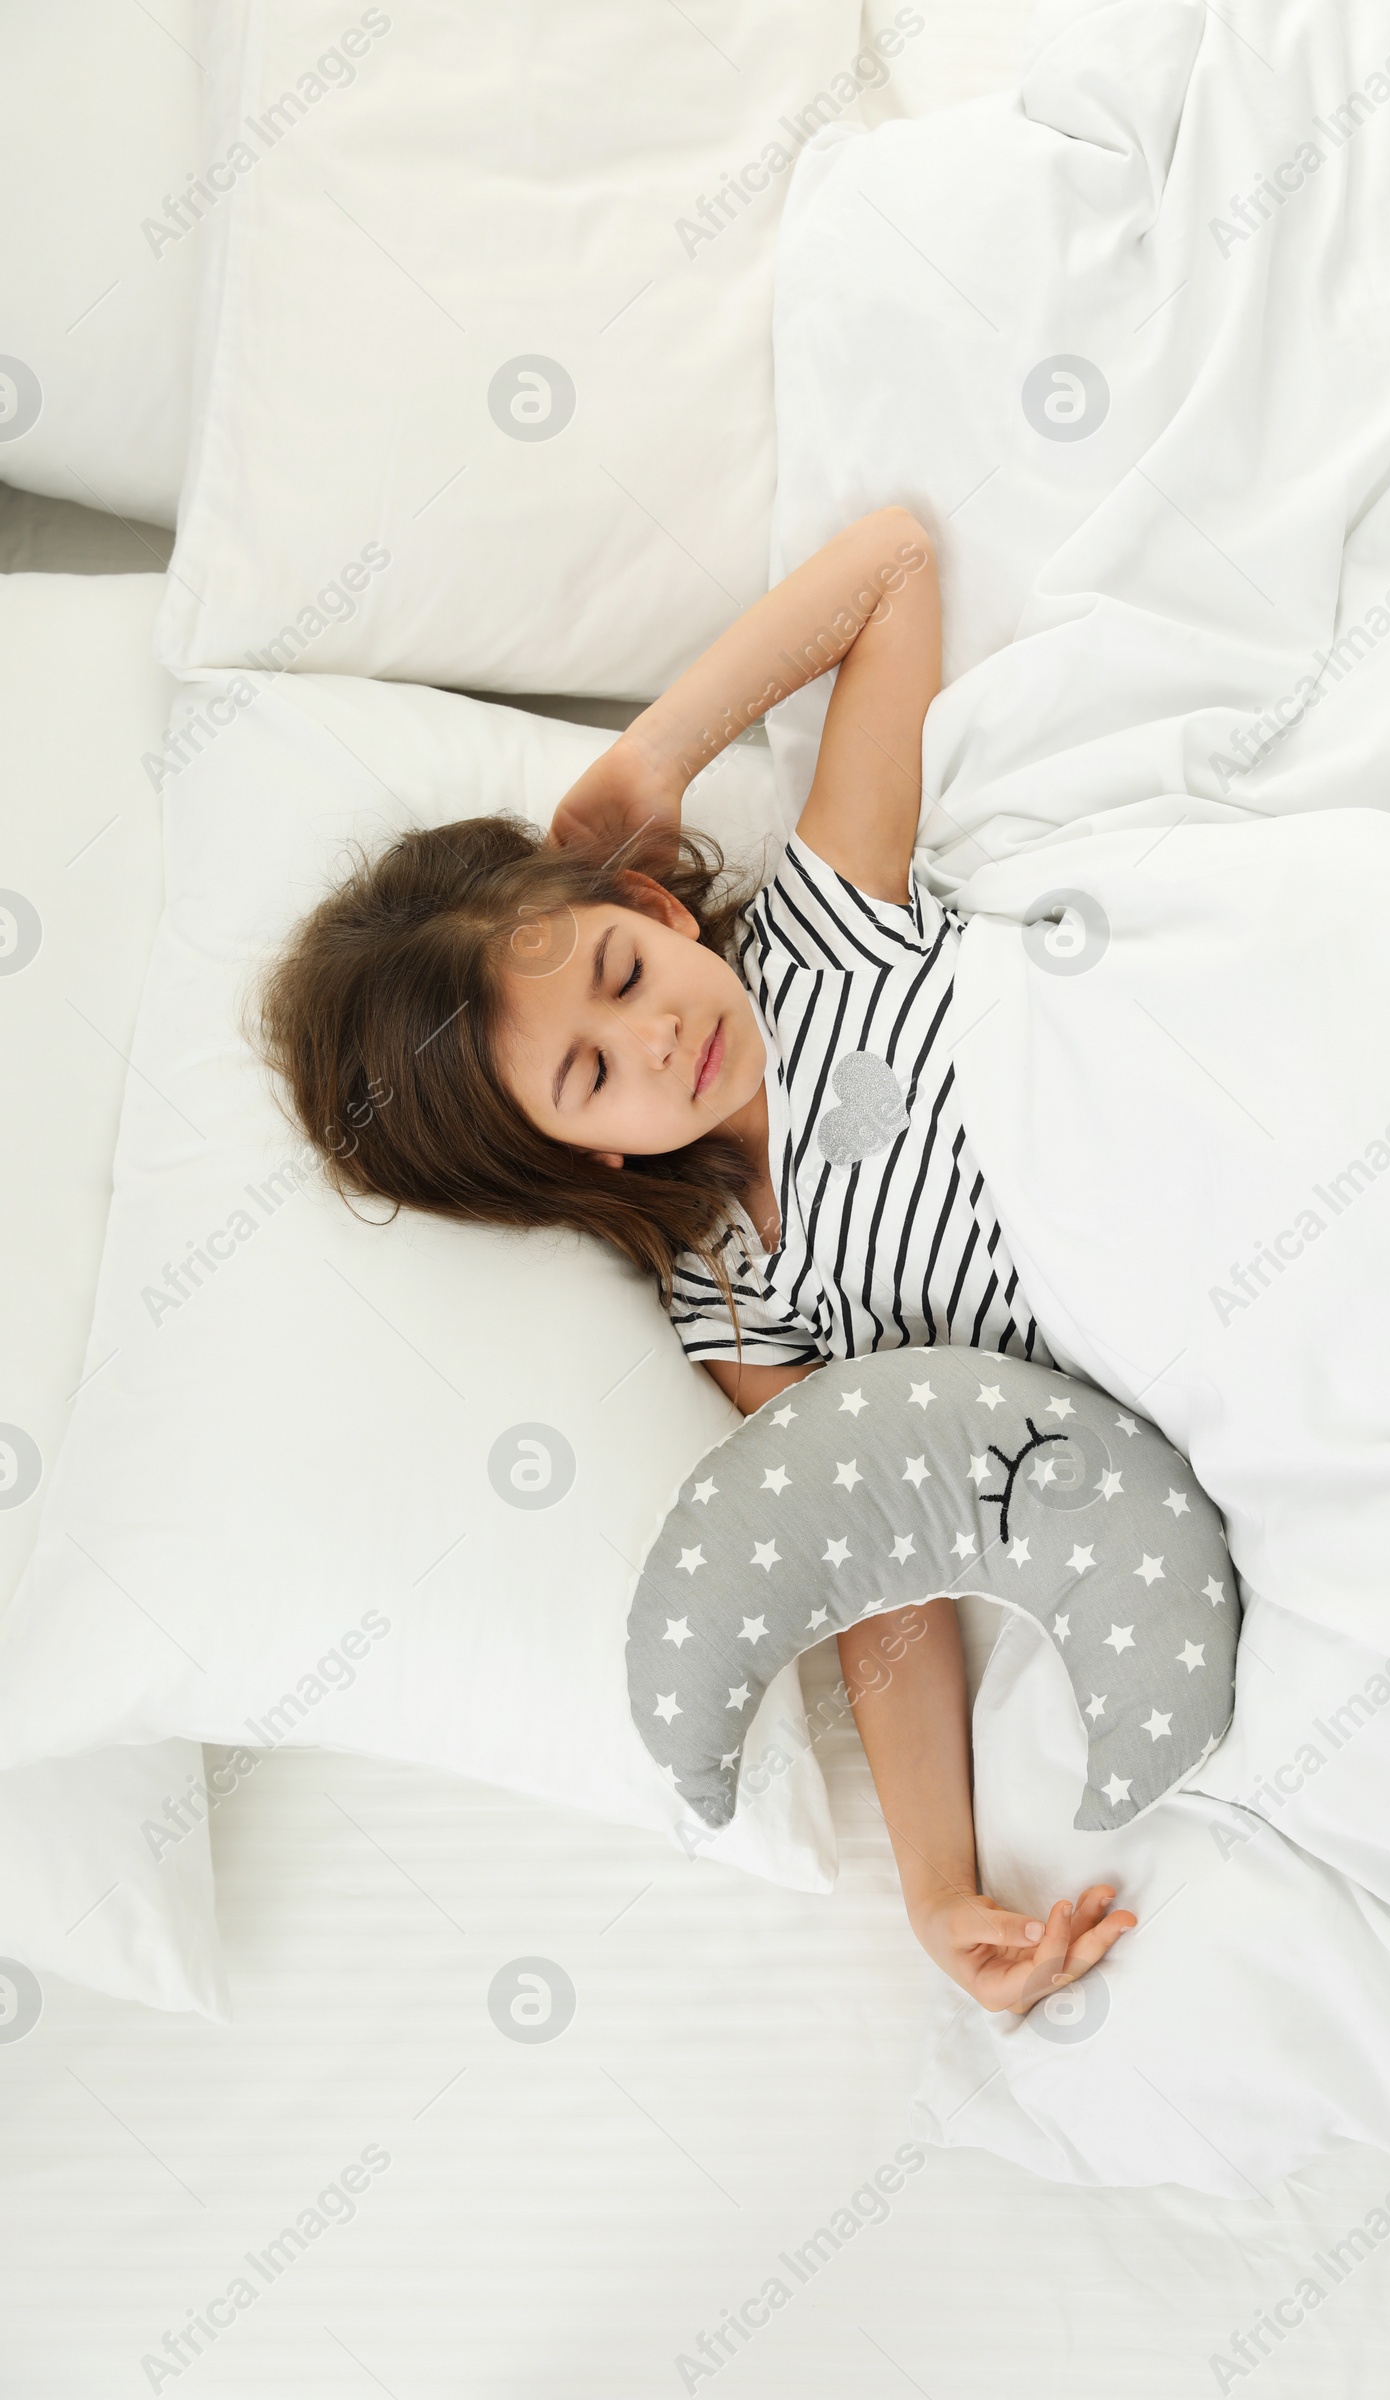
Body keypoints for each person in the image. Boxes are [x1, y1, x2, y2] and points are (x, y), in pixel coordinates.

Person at [257, 504, 1136, 2014]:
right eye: (594, 1075)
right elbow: (882, 1566)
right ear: (580, 1156)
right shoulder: (737, 1296)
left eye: (623, 969)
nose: (658, 1032)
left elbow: (893, 565)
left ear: (654, 905)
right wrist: (937, 1885)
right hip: (1171, 1344)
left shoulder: (824, 929)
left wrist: (650, 761)